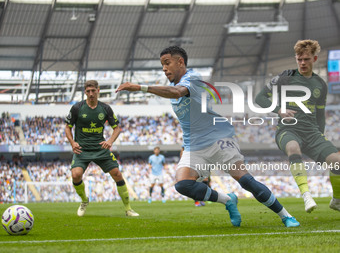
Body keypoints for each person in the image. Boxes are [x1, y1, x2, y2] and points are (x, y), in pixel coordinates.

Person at [116, 46, 299, 227]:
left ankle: (286, 216)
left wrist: (140, 87)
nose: (164, 68)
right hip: (193, 145)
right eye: (162, 64)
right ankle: (228, 200)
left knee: (245, 180)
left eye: (167, 63)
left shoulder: (193, 78)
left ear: (180, 62)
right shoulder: (171, 87)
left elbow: (178, 92)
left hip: (218, 139)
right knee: (183, 185)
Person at [255, 39, 340, 213]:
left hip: (312, 133)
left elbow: (320, 114)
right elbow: (260, 98)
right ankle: (306, 195)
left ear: (314, 59)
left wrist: (321, 140)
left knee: (337, 163)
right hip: (288, 130)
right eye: (299, 59)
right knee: (293, 148)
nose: (302, 63)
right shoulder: (285, 77)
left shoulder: (320, 85)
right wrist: (279, 110)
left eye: (306, 59)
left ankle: (337, 200)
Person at [65, 80, 139, 217]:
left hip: (100, 149)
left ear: (98, 90)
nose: (91, 94)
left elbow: (117, 128)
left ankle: (128, 209)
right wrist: (72, 142)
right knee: (75, 175)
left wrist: (110, 141)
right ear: (85, 92)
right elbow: (67, 127)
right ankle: (84, 200)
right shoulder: (77, 108)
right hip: (82, 149)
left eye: (93, 91)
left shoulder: (105, 108)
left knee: (117, 173)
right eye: (88, 91)